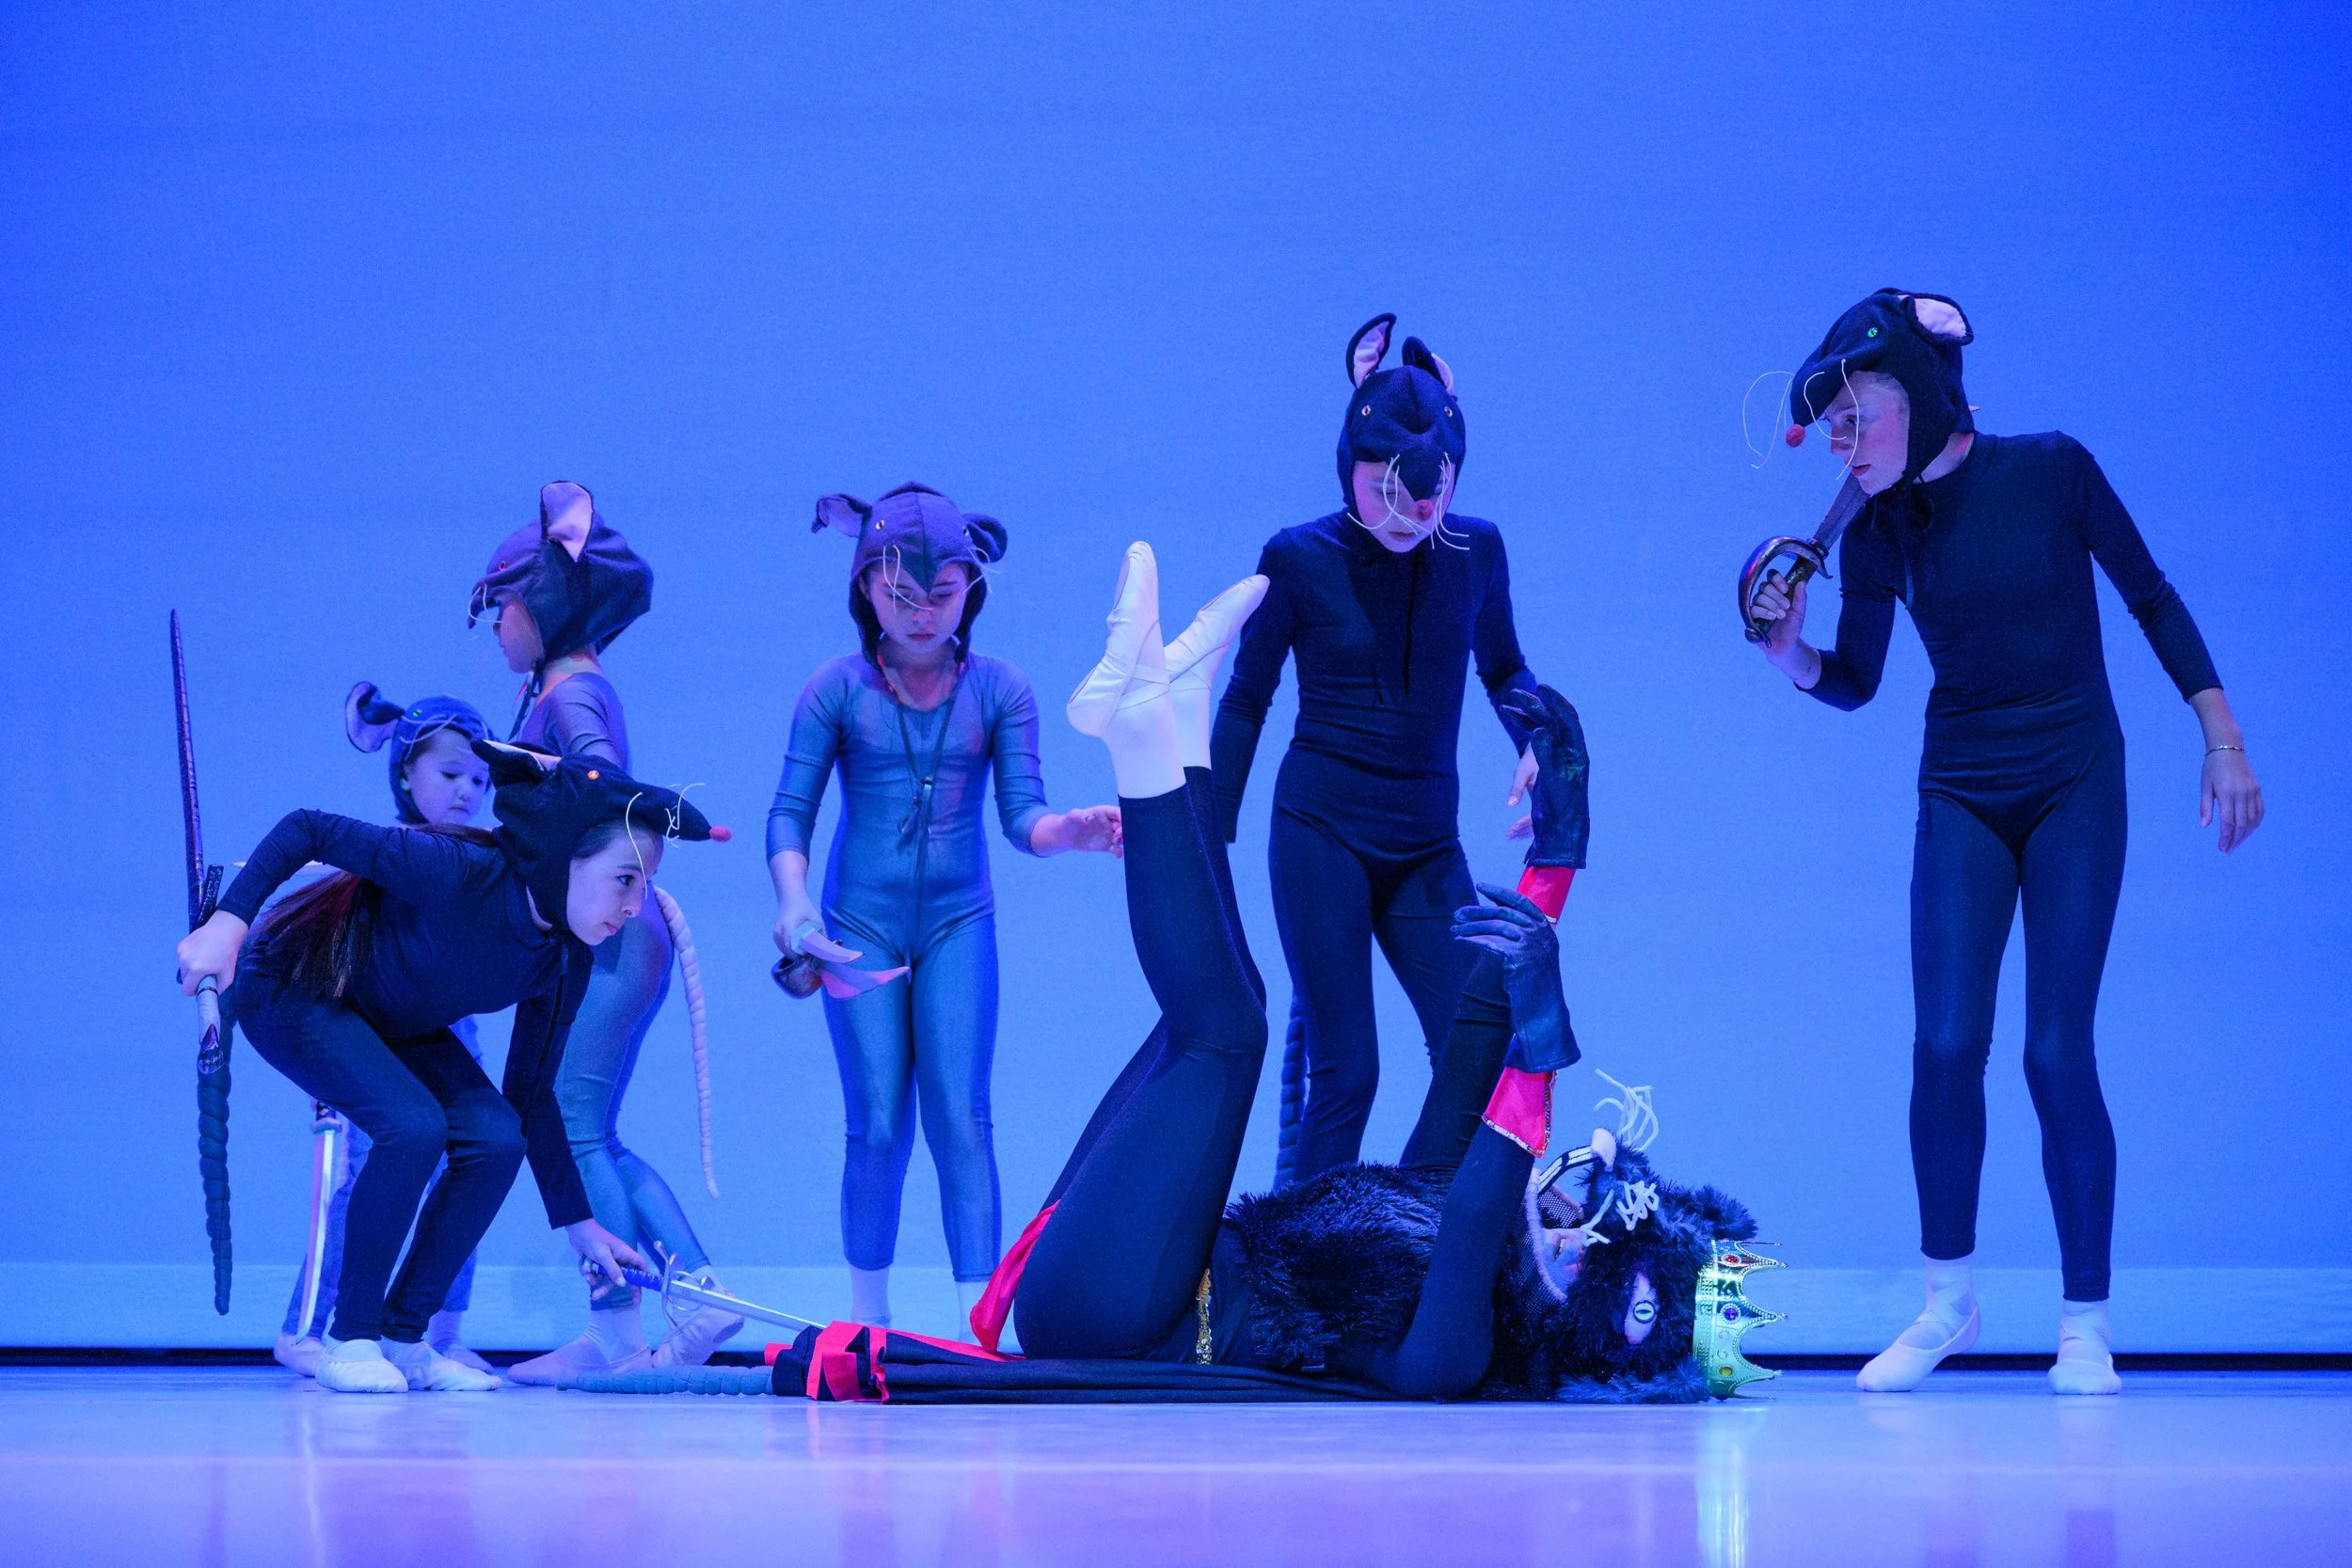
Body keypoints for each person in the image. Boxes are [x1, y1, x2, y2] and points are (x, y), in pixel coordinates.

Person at [959, 545, 1753, 1401]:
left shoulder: (1460, 1351)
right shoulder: (1446, 1191)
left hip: (1119, 1318)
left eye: (1586, 1265)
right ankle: (1179, 730)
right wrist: (1558, 857)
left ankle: (1140, 735)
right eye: (1584, 1215)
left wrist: (1546, 1044)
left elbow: (1484, 1207)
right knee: (1241, 1007)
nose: (1568, 1237)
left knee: (1225, 1036)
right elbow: (1475, 1046)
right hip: (1142, 1251)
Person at [1747, 289, 2265, 1395]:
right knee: (1943, 1045)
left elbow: (2153, 598)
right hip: (1963, 787)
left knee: (2052, 1050)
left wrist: (2219, 735)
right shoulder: (1878, 529)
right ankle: (1948, 1303)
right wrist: (1788, 652)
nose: (1843, 444)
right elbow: (1856, 681)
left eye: (1858, 417)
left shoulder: (2051, 469)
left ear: (1925, 402)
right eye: (1832, 427)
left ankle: (2084, 1321)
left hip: (2076, 775)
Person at [175, 742, 721, 1393]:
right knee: (413, 1126)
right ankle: (349, 1339)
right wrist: (228, 924)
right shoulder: (458, 869)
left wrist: (579, 1223)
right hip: (291, 985)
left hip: (386, 1018)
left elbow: (530, 1093)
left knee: (495, 1137)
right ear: (563, 856)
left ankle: (405, 1338)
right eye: (625, 878)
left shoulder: (564, 955)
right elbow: (308, 828)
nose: (636, 905)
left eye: (647, 885)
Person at [770, 483, 1121, 1334]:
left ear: (973, 588)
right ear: (865, 588)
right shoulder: (836, 689)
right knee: (878, 1124)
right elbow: (791, 811)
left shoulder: (1001, 689)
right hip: (857, 926)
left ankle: (977, 1325)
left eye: (943, 592)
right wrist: (793, 905)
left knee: (963, 1116)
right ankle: (868, 1320)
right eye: (901, 594)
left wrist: (1070, 829)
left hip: (961, 921)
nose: (924, 612)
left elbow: (1022, 818)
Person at [1212, 315, 1545, 1185]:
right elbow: (1248, 698)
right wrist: (1204, 838)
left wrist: (1534, 737)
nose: (1410, 514)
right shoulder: (1297, 558)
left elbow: (1504, 666)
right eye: (1386, 489)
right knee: (1348, 1071)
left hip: (1426, 843)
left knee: (1479, 1044)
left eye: (1429, 493)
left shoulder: (1476, 552)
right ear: (1350, 465)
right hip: (1320, 829)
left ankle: (1411, 1246)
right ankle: (1304, 1287)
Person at [469, 481, 739, 1384]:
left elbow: (596, 787)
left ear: (539, 601)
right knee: (592, 1126)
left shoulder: (573, 697)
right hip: (621, 930)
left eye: (501, 607)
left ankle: (647, 1313)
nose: (496, 627)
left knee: (575, 1123)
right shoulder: (563, 689)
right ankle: (667, 1304)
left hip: (611, 935)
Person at [273, 687, 499, 1377]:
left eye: (481, 780)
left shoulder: (478, 855)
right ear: (406, 772)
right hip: (367, 1032)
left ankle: (434, 1329)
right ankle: (311, 1325)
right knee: (363, 1172)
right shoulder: (381, 852)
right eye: (450, 773)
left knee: (467, 1159)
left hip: (447, 1028)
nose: (467, 790)